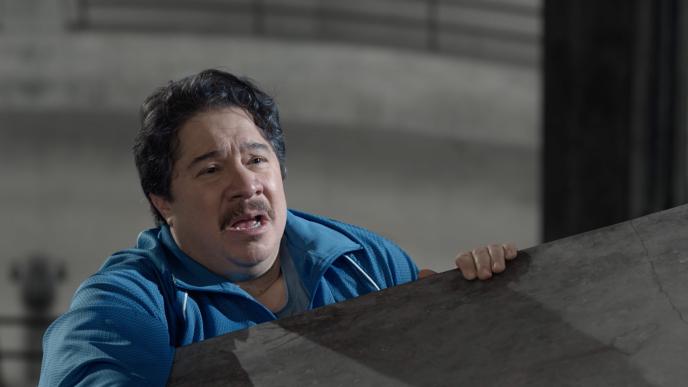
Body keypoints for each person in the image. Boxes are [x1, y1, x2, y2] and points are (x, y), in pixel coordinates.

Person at [39, 69, 518, 386]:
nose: (245, 183)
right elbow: (90, 368)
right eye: (210, 169)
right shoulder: (131, 298)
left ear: (280, 172)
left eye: (256, 159)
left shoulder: (366, 260)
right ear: (163, 202)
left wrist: (483, 291)